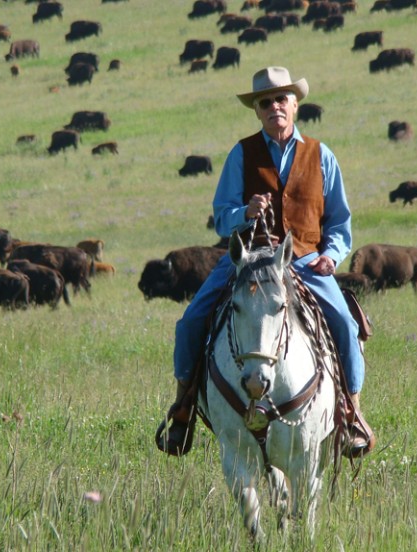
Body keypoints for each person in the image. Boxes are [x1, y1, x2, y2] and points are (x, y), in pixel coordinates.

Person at [156, 66, 375, 459]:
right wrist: (244, 212)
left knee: (343, 323)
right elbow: (222, 215)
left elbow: (339, 221)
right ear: (257, 111)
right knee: (191, 321)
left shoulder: (322, 156)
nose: (275, 106)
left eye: (281, 99)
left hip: (307, 261)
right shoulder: (241, 154)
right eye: (265, 101)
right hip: (249, 262)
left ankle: (351, 414)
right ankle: (183, 411)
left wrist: (331, 255)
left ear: (295, 105)